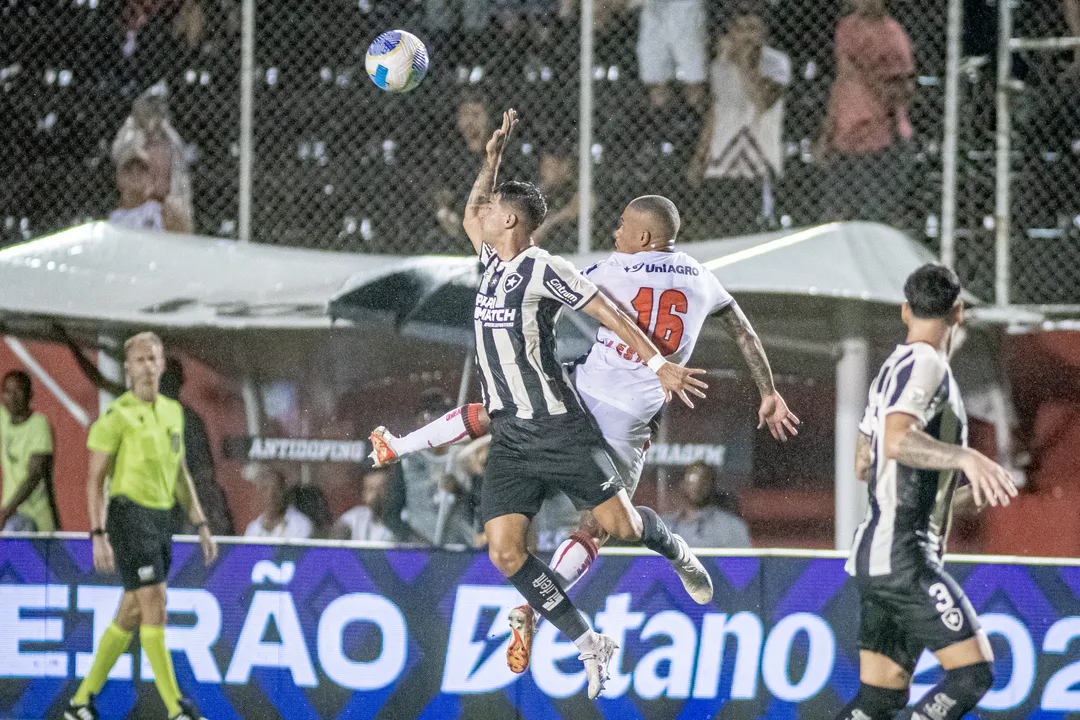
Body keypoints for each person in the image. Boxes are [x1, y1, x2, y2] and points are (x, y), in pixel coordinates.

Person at [374, 109, 795, 698]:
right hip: (576, 412)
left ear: (644, 237)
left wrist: (656, 362)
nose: (616, 230)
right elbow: (744, 332)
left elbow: (607, 311)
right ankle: (569, 621)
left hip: (576, 410)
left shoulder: (592, 267)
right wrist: (768, 392)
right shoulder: (699, 276)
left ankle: (658, 552)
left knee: (607, 522)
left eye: (625, 224)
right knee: (542, 522)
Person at [832, 264, 1018, 720]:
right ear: (959, 313)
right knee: (973, 675)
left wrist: (948, 494)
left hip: (878, 553)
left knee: (881, 698)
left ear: (904, 311)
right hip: (902, 556)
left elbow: (865, 463)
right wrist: (965, 458)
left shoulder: (889, 371)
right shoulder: (927, 363)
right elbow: (896, 440)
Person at [66, 332, 215, 720]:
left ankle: (80, 701)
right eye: (139, 361)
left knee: (131, 609)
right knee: (155, 603)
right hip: (127, 517)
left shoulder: (172, 412)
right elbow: (94, 480)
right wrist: (97, 535)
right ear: (129, 369)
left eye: (153, 359)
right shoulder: (115, 417)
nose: (147, 367)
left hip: (161, 519)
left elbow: (180, 471)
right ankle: (175, 709)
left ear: (162, 365)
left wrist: (200, 522)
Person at [688, 11, 790, 237]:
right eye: (741, 30)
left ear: (764, 34)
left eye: (753, 29)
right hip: (723, 160)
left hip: (759, 161)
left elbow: (763, 101)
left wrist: (744, 64)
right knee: (719, 230)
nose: (747, 36)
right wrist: (701, 155)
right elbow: (716, 112)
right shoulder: (720, 65)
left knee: (756, 231)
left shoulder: (776, 63)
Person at [817, 0, 916, 225]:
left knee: (877, 218)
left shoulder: (893, 35)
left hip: (880, 137)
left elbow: (904, 92)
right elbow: (841, 81)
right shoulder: (847, 28)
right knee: (835, 215)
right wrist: (827, 133)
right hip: (846, 135)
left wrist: (862, 74)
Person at [112, 87, 194, 231]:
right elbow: (120, 157)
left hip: (167, 205)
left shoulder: (171, 140)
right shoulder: (130, 135)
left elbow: (182, 180)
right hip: (138, 203)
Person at [0, 370, 58, 532]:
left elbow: (34, 475)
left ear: (30, 395)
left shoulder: (39, 424)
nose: (12, 397)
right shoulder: (4, 419)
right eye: (7, 391)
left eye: (18, 391)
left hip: (33, 517)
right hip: (10, 515)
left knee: (14, 530)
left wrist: (5, 513)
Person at [662, 461, 750, 548]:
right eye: (692, 481)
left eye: (704, 481)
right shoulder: (663, 525)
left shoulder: (731, 527)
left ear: (712, 486)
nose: (698, 486)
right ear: (682, 484)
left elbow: (742, 561)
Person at [243, 465, 314, 539]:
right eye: (265, 489)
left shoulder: (300, 525)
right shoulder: (253, 529)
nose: (271, 496)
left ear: (284, 492)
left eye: (276, 490)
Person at [333, 468, 396, 542]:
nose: (376, 495)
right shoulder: (356, 517)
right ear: (364, 493)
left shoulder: (403, 519)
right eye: (371, 489)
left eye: (381, 489)